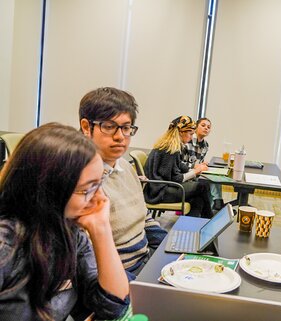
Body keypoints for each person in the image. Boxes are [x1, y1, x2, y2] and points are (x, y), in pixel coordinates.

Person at [0, 123, 129, 320]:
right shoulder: (5, 245)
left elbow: (112, 305)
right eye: (86, 189)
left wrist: (101, 229)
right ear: (46, 191)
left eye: (98, 184)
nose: (97, 198)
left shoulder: (67, 230)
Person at [79, 87, 167, 277]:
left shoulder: (125, 166)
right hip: (121, 275)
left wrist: (170, 250)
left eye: (126, 128)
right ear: (87, 127)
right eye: (109, 126)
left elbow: (145, 219)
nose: (120, 136)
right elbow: (88, 263)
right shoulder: (79, 181)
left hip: (146, 262)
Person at [143, 115, 213, 218]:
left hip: (160, 188)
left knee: (198, 199)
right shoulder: (171, 149)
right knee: (202, 187)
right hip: (160, 192)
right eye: (190, 134)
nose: (190, 137)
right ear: (181, 132)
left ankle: (191, 228)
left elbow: (179, 165)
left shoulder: (169, 145)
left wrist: (193, 168)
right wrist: (195, 172)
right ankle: (209, 220)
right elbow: (176, 178)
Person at [181, 117, 225, 210]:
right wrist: (195, 166)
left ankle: (216, 205)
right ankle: (216, 205)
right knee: (209, 183)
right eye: (203, 125)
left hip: (196, 173)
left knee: (215, 176)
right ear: (196, 127)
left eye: (208, 127)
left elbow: (197, 161)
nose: (206, 128)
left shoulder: (205, 145)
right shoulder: (187, 141)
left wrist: (202, 163)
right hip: (186, 175)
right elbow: (179, 164)